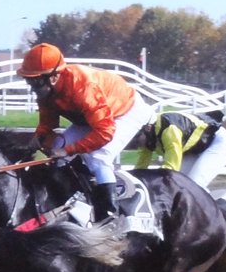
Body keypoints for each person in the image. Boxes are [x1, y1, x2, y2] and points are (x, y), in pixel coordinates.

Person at [18, 42, 154, 221]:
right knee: (57, 145)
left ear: (53, 77)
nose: (32, 88)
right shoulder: (46, 92)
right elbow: (48, 123)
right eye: (30, 81)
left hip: (125, 111)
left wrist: (69, 150)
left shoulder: (83, 87)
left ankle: (109, 217)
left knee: (98, 157)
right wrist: (40, 139)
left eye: (35, 82)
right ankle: (67, 200)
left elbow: (105, 132)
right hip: (92, 117)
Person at [133, 111, 226, 189]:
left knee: (193, 185)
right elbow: (141, 166)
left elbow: (171, 168)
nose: (136, 143)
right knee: (180, 185)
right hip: (195, 147)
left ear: (148, 128)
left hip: (217, 142)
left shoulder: (169, 130)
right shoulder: (149, 134)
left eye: (136, 137)